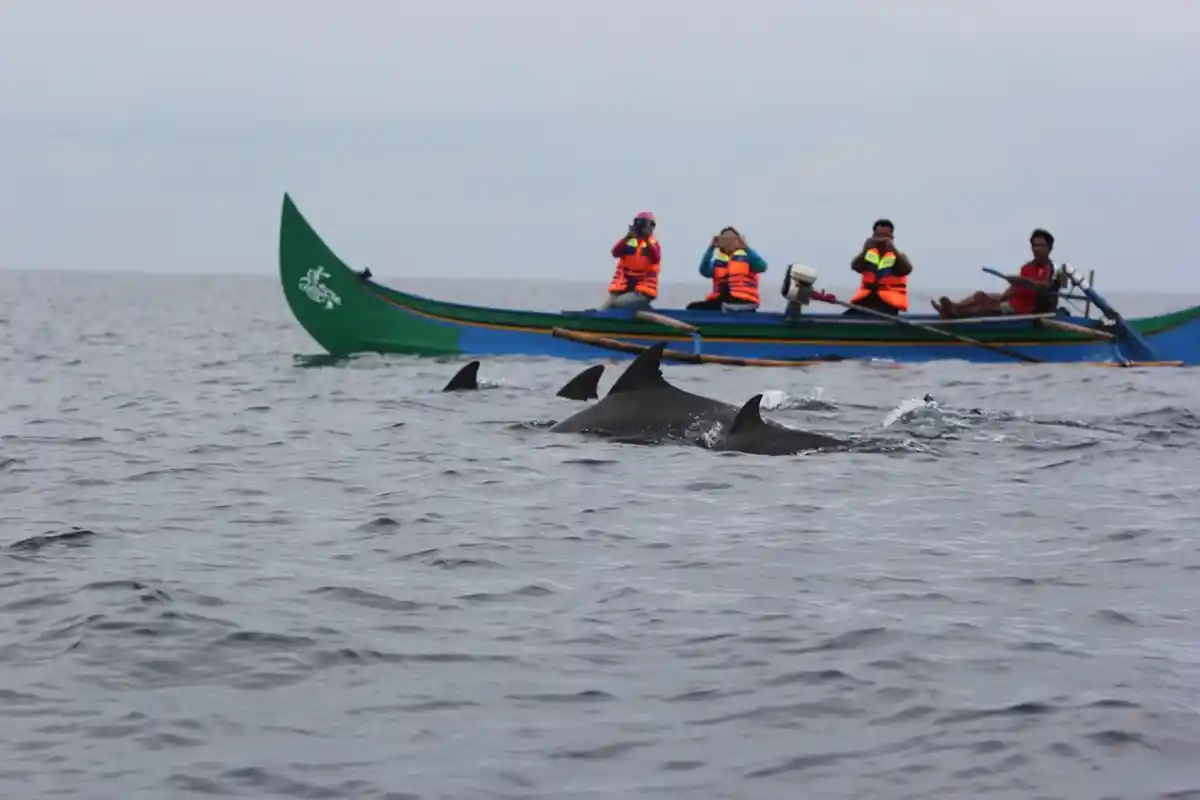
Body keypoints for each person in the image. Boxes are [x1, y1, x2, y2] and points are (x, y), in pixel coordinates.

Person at [932, 228, 1062, 319]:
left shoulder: (1051, 269)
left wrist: (1022, 281)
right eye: (1034, 245)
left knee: (986, 307)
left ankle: (954, 312)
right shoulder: (1026, 268)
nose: (1036, 249)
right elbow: (1014, 289)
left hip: (1024, 309)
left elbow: (1044, 286)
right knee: (980, 296)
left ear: (1049, 248)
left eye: (1040, 246)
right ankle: (953, 307)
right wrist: (1001, 297)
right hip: (1013, 302)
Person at [686, 226, 767, 311]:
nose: (729, 243)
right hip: (725, 299)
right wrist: (711, 248)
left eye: (732, 239)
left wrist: (746, 247)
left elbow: (762, 267)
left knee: (724, 307)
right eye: (725, 240)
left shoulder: (748, 258)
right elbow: (704, 271)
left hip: (746, 300)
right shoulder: (718, 262)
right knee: (693, 307)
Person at [846, 218, 913, 316]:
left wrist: (893, 250)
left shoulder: (898, 257)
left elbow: (907, 269)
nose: (881, 240)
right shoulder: (868, 255)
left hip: (887, 305)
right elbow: (855, 266)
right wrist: (865, 251)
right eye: (879, 236)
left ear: (892, 237)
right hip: (865, 301)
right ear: (873, 236)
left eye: (885, 237)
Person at [602, 212, 661, 309]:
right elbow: (615, 252)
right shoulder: (629, 241)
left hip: (642, 291)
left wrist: (646, 239)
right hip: (623, 288)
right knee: (608, 305)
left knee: (619, 303)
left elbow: (656, 257)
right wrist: (627, 237)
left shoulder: (653, 244)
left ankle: (644, 307)